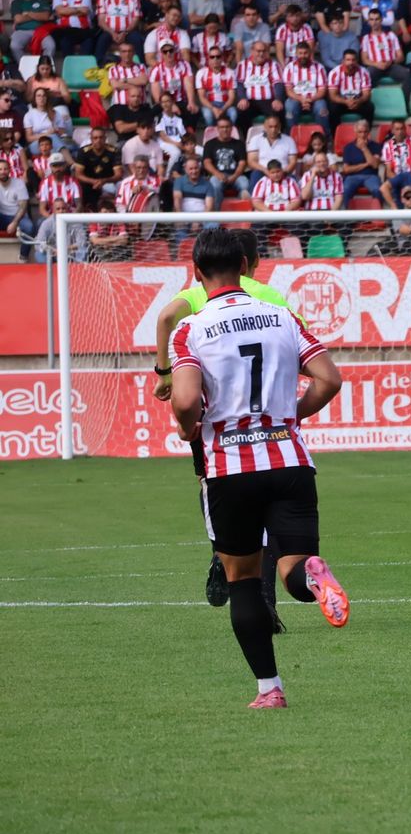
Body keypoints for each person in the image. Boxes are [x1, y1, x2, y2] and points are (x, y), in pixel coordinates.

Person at [163, 230, 349, 709]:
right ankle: (312, 573)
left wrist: (188, 428)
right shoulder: (283, 317)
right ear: (246, 265)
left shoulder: (192, 328)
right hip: (288, 460)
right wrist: (290, 417)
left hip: (229, 468)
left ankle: (270, 690)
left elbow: (184, 399)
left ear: (197, 273)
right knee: (291, 568)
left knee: (243, 578)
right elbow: (330, 378)